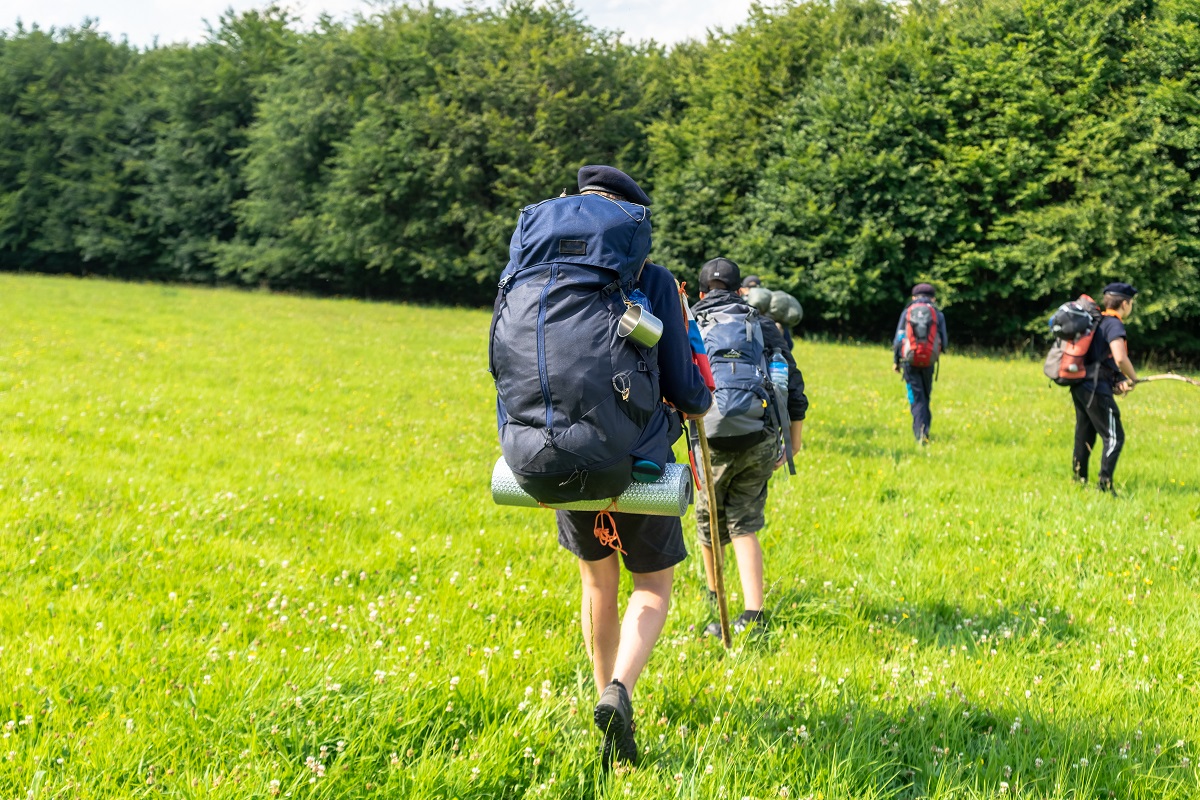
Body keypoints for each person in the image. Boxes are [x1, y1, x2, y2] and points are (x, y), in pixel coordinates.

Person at [554, 166, 712, 769]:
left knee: (597, 584)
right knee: (652, 588)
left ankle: (601, 699)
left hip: (560, 455)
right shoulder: (653, 280)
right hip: (639, 462)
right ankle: (620, 691)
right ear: (631, 220)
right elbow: (687, 389)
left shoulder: (544, 277)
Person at [691, 257, 807, 637]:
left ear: (702, 291)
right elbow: (792, 382)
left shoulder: (688, 322)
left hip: (710, 440)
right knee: (744, 523)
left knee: (710, 523)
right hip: (759, 436)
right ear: (742, 291)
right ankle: (753, 614)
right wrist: (792, 443)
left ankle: (715, 596)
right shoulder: (760, 323)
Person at [1071, 282, 1139, 494]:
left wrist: (1116, 381)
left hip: (1080, 384)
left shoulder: (1096, 322)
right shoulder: (1114, 324)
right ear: (1125, 304)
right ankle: (1105, 485)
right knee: (1115, 436)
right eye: (1132, 303)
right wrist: (1133, 378)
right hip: (1094, 388)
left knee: (1085, 435)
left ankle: (1078, 481)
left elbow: (1102, 359)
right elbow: (1119, 357)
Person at [892, 283, 948, 444]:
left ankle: (920, 434)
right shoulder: (938, 314)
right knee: (925, 396)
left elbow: (898, 339)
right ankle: (925, 431)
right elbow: (944, 342)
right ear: (933, 298)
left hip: (909, 361)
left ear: (913, 297)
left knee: (916, 398)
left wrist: (896, 361)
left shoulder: (907, 312)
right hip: (929, 362)